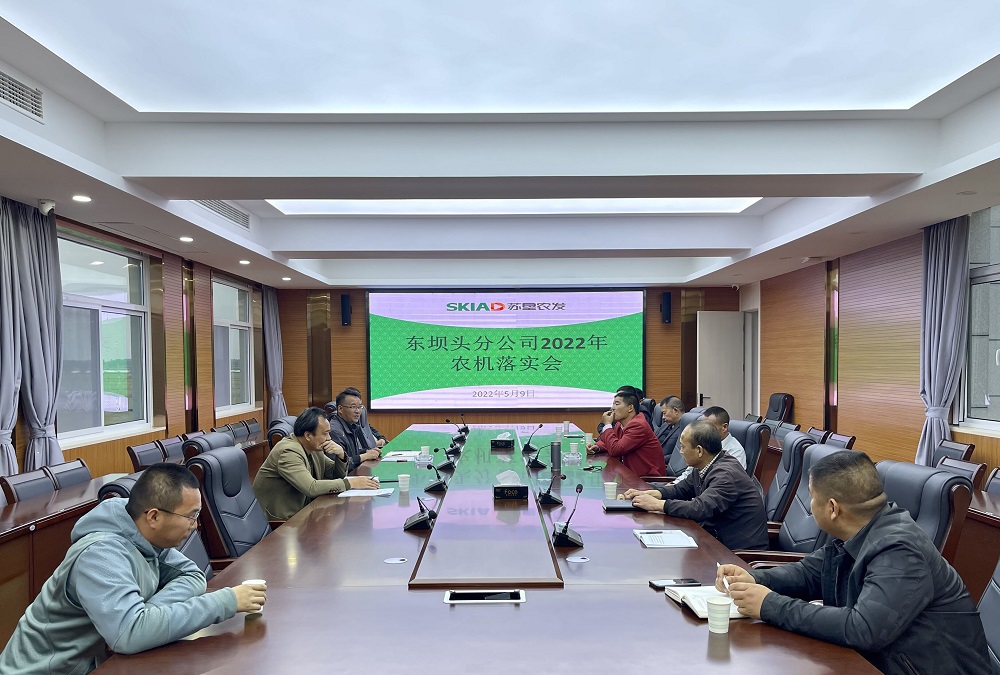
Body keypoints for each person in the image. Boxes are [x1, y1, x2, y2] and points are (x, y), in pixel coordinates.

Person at [717, 450, 990, 675]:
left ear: (833, 508)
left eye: (811, 497)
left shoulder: (901, 549)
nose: (809, 504)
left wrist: (770, 605)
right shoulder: (858, 530)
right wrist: (755, 579)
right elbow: (809, 574)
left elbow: (864, 629)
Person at [0, 463, 266, 674]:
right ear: (154, 516)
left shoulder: (146, 536)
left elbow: (193, 575)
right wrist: (226, 602)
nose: (195, 525)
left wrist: (149, 613)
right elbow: (129, 634)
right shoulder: (101, 554)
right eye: (191, 516)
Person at [623, 420, 767, 550]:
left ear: (699, 450)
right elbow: (681, 489)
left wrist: (658, 504)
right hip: (713, 540)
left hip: (737, 553)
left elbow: (701, 508)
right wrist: (653, 493)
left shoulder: (726, 474)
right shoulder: (705, 465)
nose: (680, 451)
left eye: (683, 447)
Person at [254, 406, 379, 520]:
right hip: (281, 522)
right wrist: (351, 483)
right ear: (308, 435)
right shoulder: (288, 452)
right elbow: (311, 488)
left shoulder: (313, 447)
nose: (329, 438)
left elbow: (334, 474)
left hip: (305, 512)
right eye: (325, 434)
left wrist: (341, 455)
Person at [586, 391, 666, 477]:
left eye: (617, 404)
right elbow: (614, 441)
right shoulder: (620, 424)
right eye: (613, 404)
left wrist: (608, 425)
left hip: (647, 479)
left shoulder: (638, 425)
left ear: (630, 408)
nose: (612, 408)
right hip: (630, 475)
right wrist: (597, 447)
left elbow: (615, 450)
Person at [672, 406, 745, 481]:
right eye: (702, 426)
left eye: (708, 427)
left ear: (724, 427)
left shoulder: (736, 451)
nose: (702, 430)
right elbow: (689, 474)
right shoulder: (702, 444)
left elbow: (727, 480)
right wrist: (673, 484)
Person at [328, 389, 382, 470]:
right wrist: (364, 456)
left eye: (359, 407)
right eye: (353, 407)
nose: (358, 411)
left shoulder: (352, 426)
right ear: (340, 409)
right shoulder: (335, 431)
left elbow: (350, 454)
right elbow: (338, 466)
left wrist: (366, 452)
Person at [656, 396, 685, 462]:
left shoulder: (685, 428)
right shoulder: (665, 424)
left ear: (676, 411)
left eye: (664, 413)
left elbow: (679, 455)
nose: (663, 417)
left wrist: (656, 459)